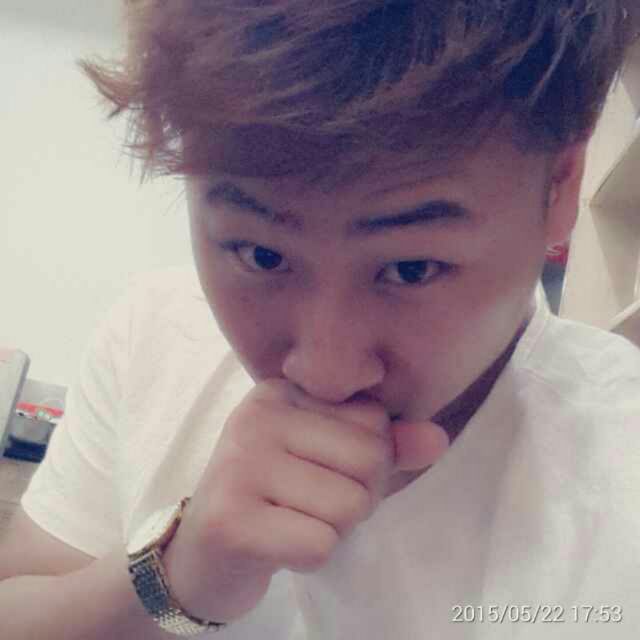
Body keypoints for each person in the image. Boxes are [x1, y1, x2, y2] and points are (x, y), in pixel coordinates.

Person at [1, 1, 639, 638]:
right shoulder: (153, 333)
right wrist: (173, 577)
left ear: (560, 188)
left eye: (412, 268)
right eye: (261, 255)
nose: (325, 373)